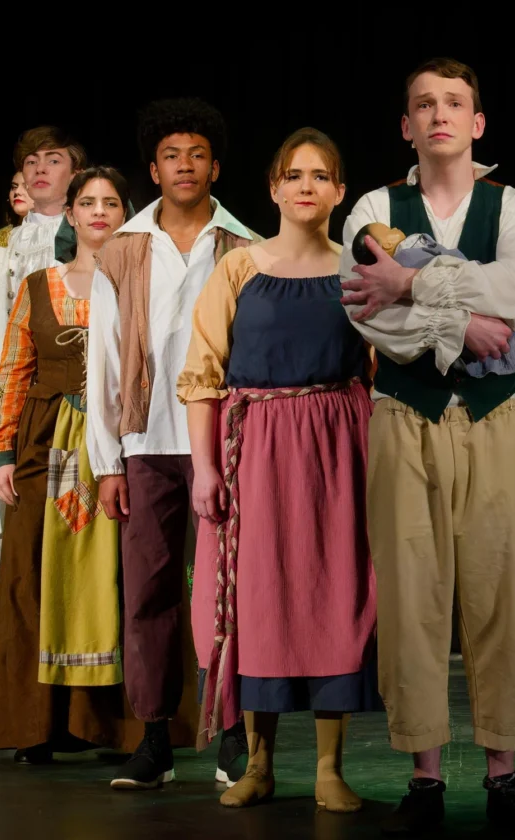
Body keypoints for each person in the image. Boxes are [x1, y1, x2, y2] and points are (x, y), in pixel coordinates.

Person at [338, 58, 515, 836]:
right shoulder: (372, 206)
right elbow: (368, 314)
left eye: (454, 103)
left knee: (503, 589)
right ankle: (425, 775)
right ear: (406, 125)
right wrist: (463, 324)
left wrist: (416, 285)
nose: (439, 114)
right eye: (423, 104)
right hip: (406, 417)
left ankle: (504, 772)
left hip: (498, 418)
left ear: (478, 122)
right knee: (412, 596)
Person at [179, 128, 376, 812]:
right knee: (257, 602)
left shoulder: (356, 270)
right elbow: (201, 377)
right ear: (272, 188)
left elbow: (379, 366)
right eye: (293, 174)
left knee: (332, 599)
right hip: (253, 449)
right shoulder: (239, 267)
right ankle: (258, 763)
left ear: (339, 192)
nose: (306, 186)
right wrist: (205, 470)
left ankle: (329, 767)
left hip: (336, 449)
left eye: (320, 176)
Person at [88, 98, 258, 791]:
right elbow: (100, 357)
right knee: (148, 589)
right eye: (170, 156)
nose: (183, 166)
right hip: (147, 439)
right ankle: (154, 737)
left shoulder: (244, 246)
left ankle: (235, 735)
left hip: (226, 440)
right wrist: (107, 462)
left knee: (229, 592)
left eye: (196, 155)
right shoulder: (122, 249)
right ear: (152, 169)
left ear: (215, 166)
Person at [0, 166, 140, 763]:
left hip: (119, 443)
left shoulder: (138, 283)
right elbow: (13, 371)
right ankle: (35, 726)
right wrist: (0, 452)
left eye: (111, 202)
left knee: (115, 579)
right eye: (87, 202)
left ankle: (113, 727)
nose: (99, 212)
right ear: (70, 214)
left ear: (126, 213)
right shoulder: (38, 284)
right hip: (42, 444)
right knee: (31, 576)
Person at [0, 127, 87, 734]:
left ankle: (65, 707)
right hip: (3, 425)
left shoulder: (100, 237)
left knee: (68, 555)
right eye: (29, 161)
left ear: (75, 170)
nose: (39, 170)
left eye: (53, 160)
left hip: (70, 421)